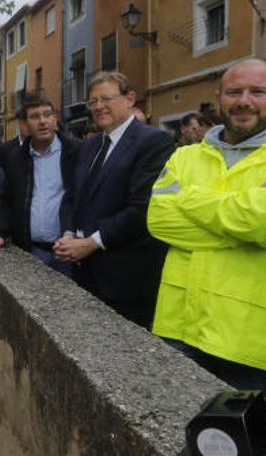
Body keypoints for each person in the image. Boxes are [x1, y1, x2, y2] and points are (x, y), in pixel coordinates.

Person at [147, 59, 266, 394]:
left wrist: (191, 199)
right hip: (181, 326)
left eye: (258, 91)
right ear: (220, 97)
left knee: (238, 442)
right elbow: (159, 221)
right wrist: (247, 225)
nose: (244, 100)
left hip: (253, 338)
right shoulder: (185, 156)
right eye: (234, 91)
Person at [54, 71, 175, 327]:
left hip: (126, 280)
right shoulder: (90, 145)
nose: (98, 106)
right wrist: (68, 233)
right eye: (93, 101)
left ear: (129, 99)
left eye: (106, 98)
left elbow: (142, 209)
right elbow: (73, 195)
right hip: (84, 272)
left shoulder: (154, 141)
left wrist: (92, 242)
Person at [0, 97, 80, 275]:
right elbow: (8, 199)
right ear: (24, 124)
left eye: (47, 115)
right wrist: (0, 232)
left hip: (69, 253)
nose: (43, 121)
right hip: (31, 251)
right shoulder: (15, 158)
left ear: (55, 119)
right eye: (35, 117)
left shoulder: (77, 152)